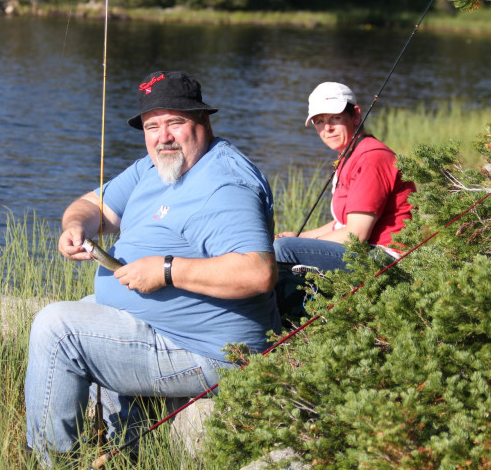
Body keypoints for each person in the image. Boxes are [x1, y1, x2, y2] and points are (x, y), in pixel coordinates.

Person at [24, 71, 280, 467]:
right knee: (87, 307)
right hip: (164, 328)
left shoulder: (224, 183)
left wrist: (165, 271)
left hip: (210, 351)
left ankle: (51, 462)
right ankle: (127, 446)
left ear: (203, 122)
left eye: (175, 122)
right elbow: (93, 206)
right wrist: (75, 226)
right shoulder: (153, 166)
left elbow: (258, 272)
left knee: (56, 329)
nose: (163, 136)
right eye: (152, 126)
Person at [273, 82, 416, 272]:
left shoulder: (371, 159)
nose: (327, 128)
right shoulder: (351, 154)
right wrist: (299, 238)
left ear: (356, 115)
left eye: (335, 118)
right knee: (284, 245)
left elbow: (356, 234)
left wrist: (302, 246)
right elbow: (343, 223)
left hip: (387, 259)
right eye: (319, 121)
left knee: (283, 249)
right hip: (367, 252)